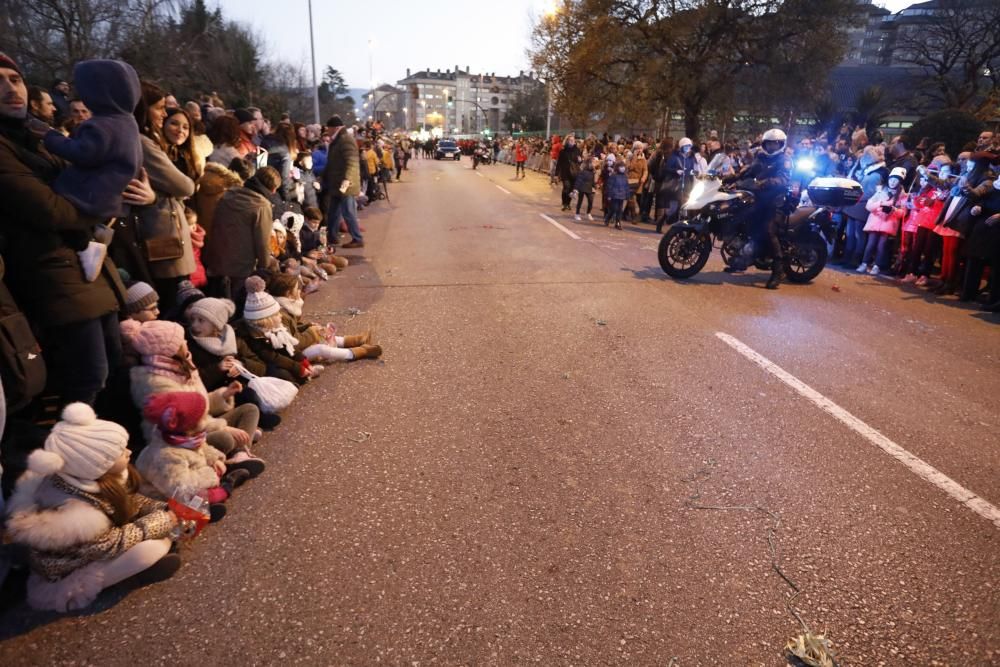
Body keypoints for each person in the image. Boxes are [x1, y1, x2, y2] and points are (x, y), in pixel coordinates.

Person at [0, 52, 142, 407]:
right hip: (51, 271)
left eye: (14, 79)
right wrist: (105, 206)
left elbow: (103, 171)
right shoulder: (14, 143)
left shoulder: (34, 135)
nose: (9, 89)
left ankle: (117, 456)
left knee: (111, 364)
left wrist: (136, 191)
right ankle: (79, 457)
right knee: (87, 376)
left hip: (86, 268)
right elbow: (49, 210)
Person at [5, 403, 182, 612]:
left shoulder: (92, 479)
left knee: (160, 532)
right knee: (149, 549)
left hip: (95, 551)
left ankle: (138, 568)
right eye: (119, 451)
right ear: (96, 463)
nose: (129, 451)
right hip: (66, 577)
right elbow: (111, 544)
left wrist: (163, 509)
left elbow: (131, 502)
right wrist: (163, 520)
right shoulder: (75, 515)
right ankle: (120, 577)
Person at [39, 60, 143, 283]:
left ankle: (88, 248)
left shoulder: (100, 125)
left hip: (92, 191)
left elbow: (83, 153)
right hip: (112, 194)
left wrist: (50, 137)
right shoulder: (128, 121)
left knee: (66, 205)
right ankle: (92, 245)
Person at [136, 391, 258, 522]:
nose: (206, 420)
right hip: (167, 496)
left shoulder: (182, 437)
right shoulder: (165, 456)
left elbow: (201, 447)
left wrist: (214, 459)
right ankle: (225, 488)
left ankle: (210, 500)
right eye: (202, 418)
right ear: (188, 426)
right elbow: (183, 489)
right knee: (211, 495)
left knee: (214, 475)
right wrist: (210, 474)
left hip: (187, 478)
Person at [133, 81, 197, 310]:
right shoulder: (144, 143)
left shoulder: (152, 143)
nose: (163, 113)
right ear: (142, 108)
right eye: (160, 108)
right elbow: (186, 186)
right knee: (174, 304)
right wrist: (161, 195)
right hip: (164, 238)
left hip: (169, 235)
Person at [202, 166, 280, 310]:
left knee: (219, 297)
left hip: (217, 255)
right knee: (238, 302)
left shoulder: (228, 194)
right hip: (241, 262)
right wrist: (265, 265)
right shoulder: (261, 205)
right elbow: (262, 242)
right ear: (272, 188)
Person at [724, 128, 791, 290]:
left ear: (780, 145)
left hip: (776, 201)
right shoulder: (760, 156)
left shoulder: (784, 160)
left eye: (775, 144)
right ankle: (742, 258)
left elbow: (783, 179)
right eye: (769, 144)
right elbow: (749, 170)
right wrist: (733, 177)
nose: (771, 147)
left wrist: (765, 183)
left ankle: (778, 270)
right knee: (742, 220)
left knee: (769, 230)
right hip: (759, 197)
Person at [320, 116, 364, 249]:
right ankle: (332, 237)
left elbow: (351, 163)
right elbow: (331, 163)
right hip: (338, 184)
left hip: (345, 185)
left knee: (348, 212)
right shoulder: (339, 140)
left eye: (328, 128)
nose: (327, 131)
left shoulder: (345, 140)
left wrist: (346, 182)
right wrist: (323, 176)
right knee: (333, 212)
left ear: (334, 128)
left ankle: (357, 238)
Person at [857, 167, 907, 276]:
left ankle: (876, 266)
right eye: (891, 179)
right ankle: (864, 263)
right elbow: (868, 206)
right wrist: (879, 204)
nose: (892, 182)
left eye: (896, 180)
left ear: (900, 182)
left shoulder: (902, 196)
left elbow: (903, 213)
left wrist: (893, 210)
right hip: (875, 221)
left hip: (888, 224)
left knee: (881, 246)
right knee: (870, 244)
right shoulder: (880, 191)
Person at [556, 135, 581, 210]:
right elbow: (559, 163)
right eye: (570, 140)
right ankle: (564, 203)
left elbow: (579, 161)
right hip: (565, 172)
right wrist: (556, 174)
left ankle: (568, 204)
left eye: (573, 140)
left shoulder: (577, 150)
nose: (572, 141)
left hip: (574, 173)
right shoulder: (563, 151)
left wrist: (580, 160)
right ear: (567, 141)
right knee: (566, 187)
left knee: (571, 190)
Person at [603, 160, 630, 230]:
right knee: (614, 209)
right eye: (621, 167)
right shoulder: (613, 176)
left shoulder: (625, 177)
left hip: (622, 195)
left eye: (623, 167)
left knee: (620, 210)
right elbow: (609, 186)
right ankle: (608, 218)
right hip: (614, 195)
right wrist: (609, 195)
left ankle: (618, 222)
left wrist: (627, 195)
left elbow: (627, 186)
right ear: (617, 168)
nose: (622, 168)